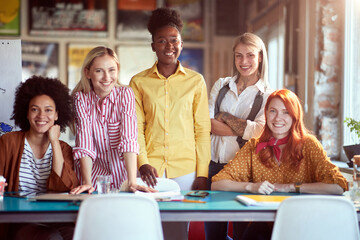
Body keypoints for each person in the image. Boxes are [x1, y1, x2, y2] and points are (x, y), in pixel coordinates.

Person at [212, 89, 348, 240]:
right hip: (264, 227)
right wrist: (250, 186)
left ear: (295, 116)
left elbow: (337, 186)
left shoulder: (309, 144)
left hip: (303, 224)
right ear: (266, 114)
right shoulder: (254, 146)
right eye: (273, 111)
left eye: (285, 112)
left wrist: (291, 187)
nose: (278, 118)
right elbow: (217, 183)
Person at [129, 8, 211, 240]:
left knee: (177, 232)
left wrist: (202, 173)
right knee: (146, 228)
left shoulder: (196, 81)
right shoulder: (139, 82)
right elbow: (136, 128)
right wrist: (142, 162)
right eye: (161, 41)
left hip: (186, 170)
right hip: (149, 170)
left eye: (174, 40)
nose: (169, 46)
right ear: (153, 46)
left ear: (181, 43)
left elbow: (202, 130)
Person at [205, 32, 273, 240]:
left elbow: (259, 132)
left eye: (250, 55)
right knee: (214, 234)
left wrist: (224, 116)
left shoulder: (268, 95)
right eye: (239, 55)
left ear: (260, 57)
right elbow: (207, 123)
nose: (244, 62)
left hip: (245, 170)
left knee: (242, 234)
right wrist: (244, 127)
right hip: (212, 166)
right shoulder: (222, 85)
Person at [0, 76, 79, 240]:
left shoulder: (64, 149)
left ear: (57, 115)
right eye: (35, 109)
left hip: (56, 219)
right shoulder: (8, 142)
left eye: (49, 110)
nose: (41, 115)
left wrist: (54, 141)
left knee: (77, 235)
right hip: (21, 221)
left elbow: (61, 188)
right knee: (49, 237)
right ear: (27, 113)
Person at [70, 46, 152, 194]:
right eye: (99, 71)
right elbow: (85, 142)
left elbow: (129, 139)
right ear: (87, 73)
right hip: (93, 179)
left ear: (118, 70)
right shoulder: (80, 99)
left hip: (123, 180)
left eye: (111, 70)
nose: (107, 77)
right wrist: (88, 183)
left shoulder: (125, 94)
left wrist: (132, 182)